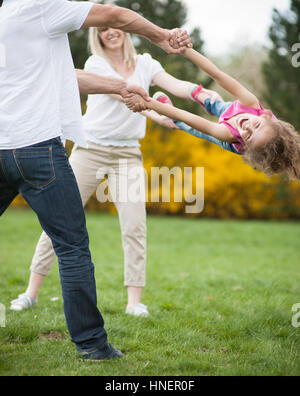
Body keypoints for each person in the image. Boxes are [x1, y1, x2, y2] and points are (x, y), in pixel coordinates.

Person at [0, 0, 191, 361]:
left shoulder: (7, 17)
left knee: (115, 230)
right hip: (49, 149)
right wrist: (162, 36)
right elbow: (115, 14)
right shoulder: (40, 8)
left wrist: (123, 87)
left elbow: (63, 77)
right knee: (70, 245)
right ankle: (90, 344)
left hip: (9, 146)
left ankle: (128, 306)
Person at [10, 27, 217, 317]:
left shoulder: (146, 64)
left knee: (134, 226)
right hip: (90, 150)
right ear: (97, 35)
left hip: (127, 155)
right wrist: (158, 115)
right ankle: (30, 293)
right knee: (59, 221)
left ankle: (134, 302)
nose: (110, 32)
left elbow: (174, 84)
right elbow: (126, 94)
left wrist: (199, 92)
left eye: (114, 27)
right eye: (103, 29)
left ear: (126, 31)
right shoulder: (97, 65)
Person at [125, 47, 300, 181]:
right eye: (256, 126)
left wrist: (147, 102)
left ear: (246, 145)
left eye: (250, 136)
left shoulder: (228, 135)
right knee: (218, 105)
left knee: (195, 129)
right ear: (265, 115)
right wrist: (186, 50)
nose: (248, 127)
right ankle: (204, 98)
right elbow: (218, 75)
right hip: (238, 111)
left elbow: (187, 116)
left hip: (229, 132)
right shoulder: (251, 103)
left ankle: (173, 122)